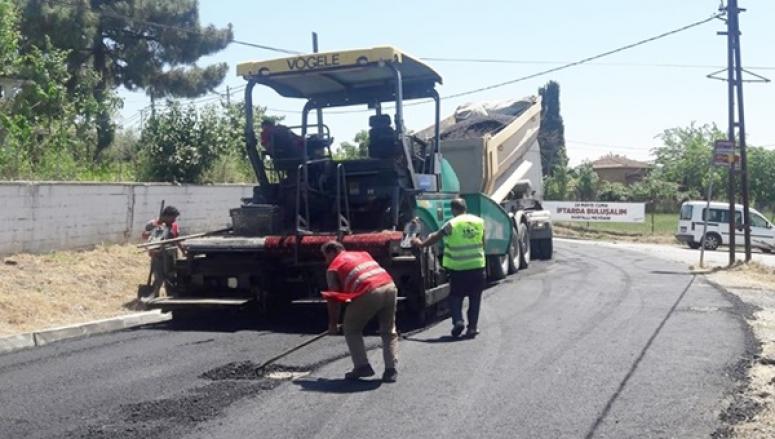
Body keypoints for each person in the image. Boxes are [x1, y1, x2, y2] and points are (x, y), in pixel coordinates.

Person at [321, 241, 399, 383]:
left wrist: (333, 324)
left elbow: (333, 299)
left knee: (351, 328)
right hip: (390, 286)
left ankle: (362, 366)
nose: (326, 261)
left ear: (332, 252)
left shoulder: (334, 267)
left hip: (370, 291)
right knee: (389, 331)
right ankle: (390, 370)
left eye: (325, 256)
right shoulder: (362, 254)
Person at [412, 198, 486, 339]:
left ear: (453, 210)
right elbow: (483, 243)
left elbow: (436, 237)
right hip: (477, 266)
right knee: (475, 299)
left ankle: (458, 320)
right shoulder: (479, 222)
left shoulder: (452, 224)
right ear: (465, 208)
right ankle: (472, 328)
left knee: (455, 297)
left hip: (458, 269)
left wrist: (420, 244)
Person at [141, 205, 183, 300]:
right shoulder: (153, 224)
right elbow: (144, 236)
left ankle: (171, 297)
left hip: (171, 255)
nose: (174, 220)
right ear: (166, 216)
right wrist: (153, 230)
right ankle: (154, 296)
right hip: (158, 255)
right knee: (158, 276)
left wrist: (183, 251)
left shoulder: (174, 226)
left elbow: (177, 240)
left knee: (171, 276)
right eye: (173, 218)